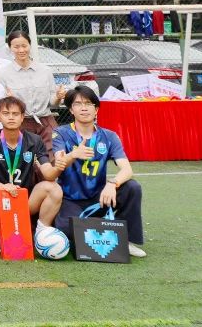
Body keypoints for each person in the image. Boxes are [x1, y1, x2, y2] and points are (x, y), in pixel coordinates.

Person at [50, 86, 146, 258]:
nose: (84, 108)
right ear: (71, 109)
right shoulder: (60, 133)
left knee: (132, 187)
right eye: (78, 104)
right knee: (67, 233)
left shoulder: (109, 136)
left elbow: (127, 169)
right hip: (70, 199)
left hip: (100, 198)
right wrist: (74, 154)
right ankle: (100, 225)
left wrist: (112, 184)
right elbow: (59, 162)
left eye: (88, 103)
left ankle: (126, 240)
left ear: (96, 109)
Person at [0, 96, 63, 239]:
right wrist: (2, 187)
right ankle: (13, 227)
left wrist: (58, 167)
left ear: (22, 117)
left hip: (24, 198)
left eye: (15, 114)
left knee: (54, 188)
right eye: (6, 113)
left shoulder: (35, 140)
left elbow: (47, 173)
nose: (11, 117)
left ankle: (42, 233)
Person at [0, 31, 65, 153]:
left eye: (24, 45)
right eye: (16, 47)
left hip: (45, 122)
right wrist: (9, 101)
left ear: (30, 45)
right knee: (23, 160)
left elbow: (52, 103)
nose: (21, 50)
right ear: (10, 48)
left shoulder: (45, 71)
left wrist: (58, 97)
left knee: (53, 157)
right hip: (20, 124)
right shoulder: (3, 74)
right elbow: (1, 105)